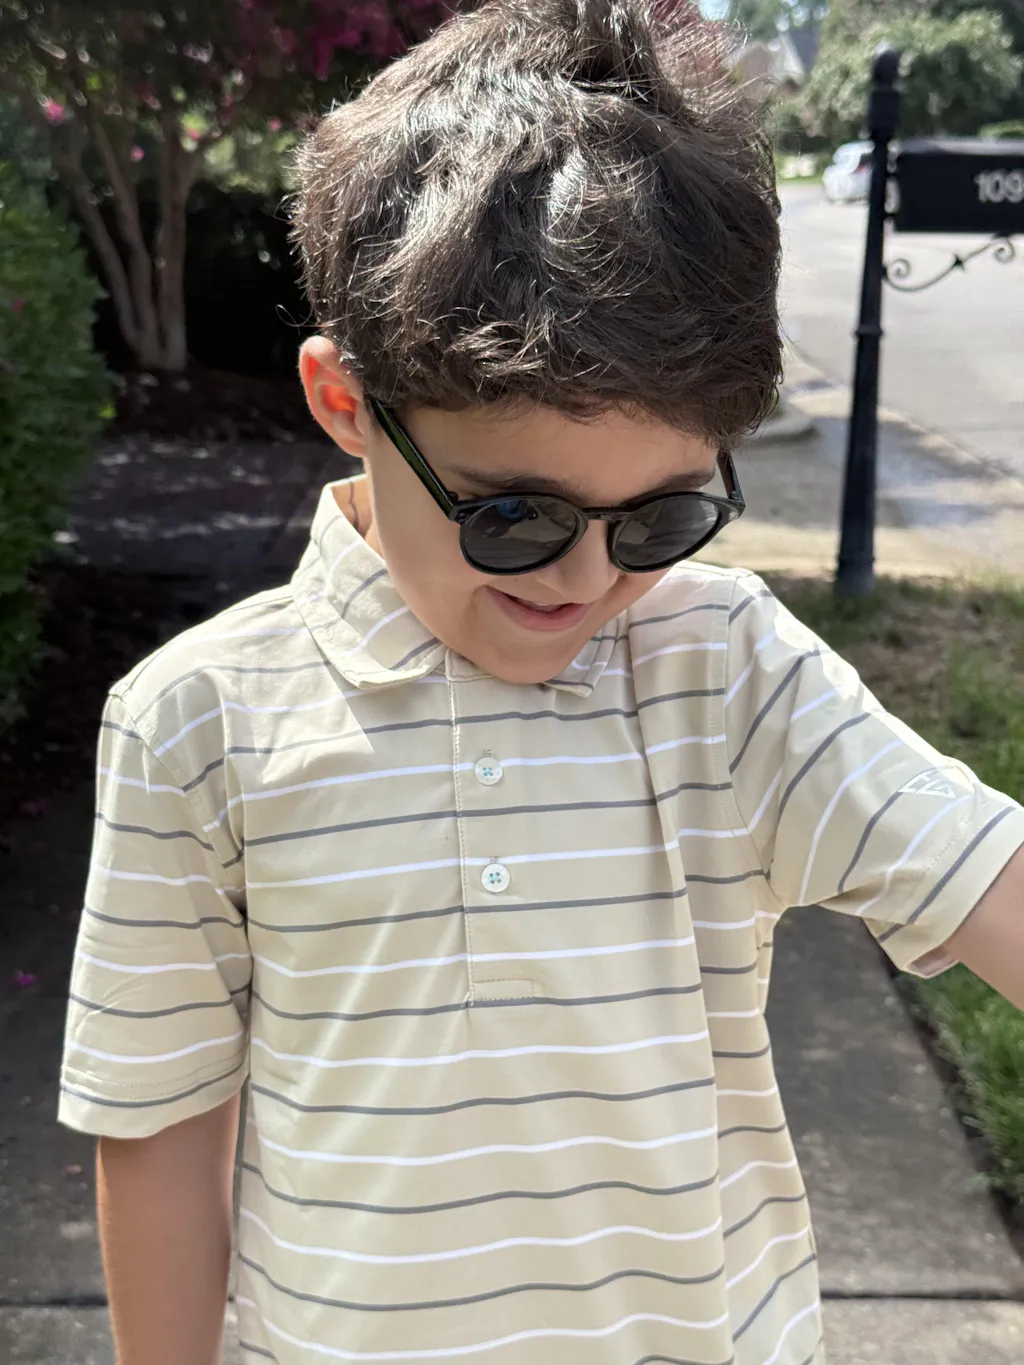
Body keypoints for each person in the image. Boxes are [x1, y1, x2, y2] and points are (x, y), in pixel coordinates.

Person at [58, 1, 1024, 1362]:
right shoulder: (199, 723)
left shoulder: (726, 671)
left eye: (663, 517)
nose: (586, 579)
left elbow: (989, 883)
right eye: (514, 516)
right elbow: (157, 1121)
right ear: (346, 404)